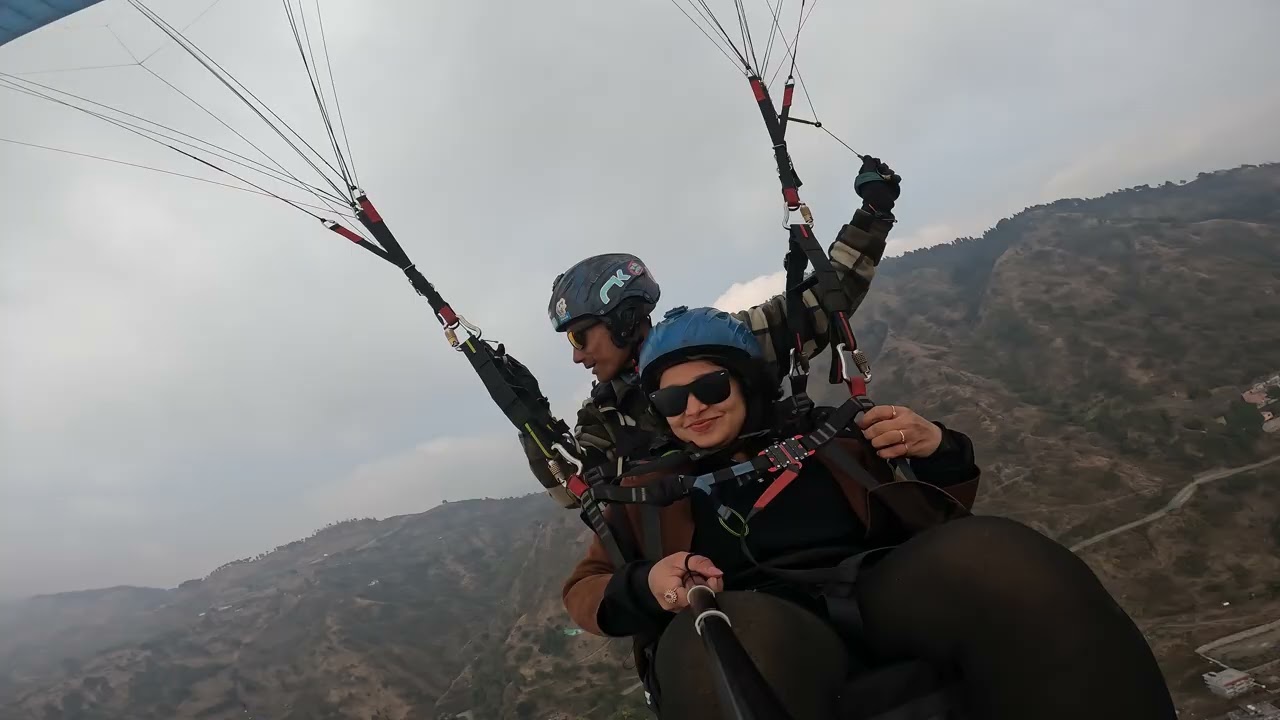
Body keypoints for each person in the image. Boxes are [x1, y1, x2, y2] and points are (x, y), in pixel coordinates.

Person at [561, 307, 1178, 720]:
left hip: (876, 590)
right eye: (672, 398)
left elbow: (943, 503)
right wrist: (648, 583)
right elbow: (587, 588)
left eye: (711, 387)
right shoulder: (647, 492)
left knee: (997, 556)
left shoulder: (831, 439)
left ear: (746, 382)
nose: (693, 408)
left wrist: (937, 447)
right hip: (758, 617)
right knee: (727, 641)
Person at [522, 156, 903, 507]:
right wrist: (530, 422)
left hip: (790, 504)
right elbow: (574, 492)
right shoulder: (604, 416)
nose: (577, 356)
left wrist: (872, 214)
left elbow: (821, 304)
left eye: (579, 337)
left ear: (621, 318)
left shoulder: (722, 343)